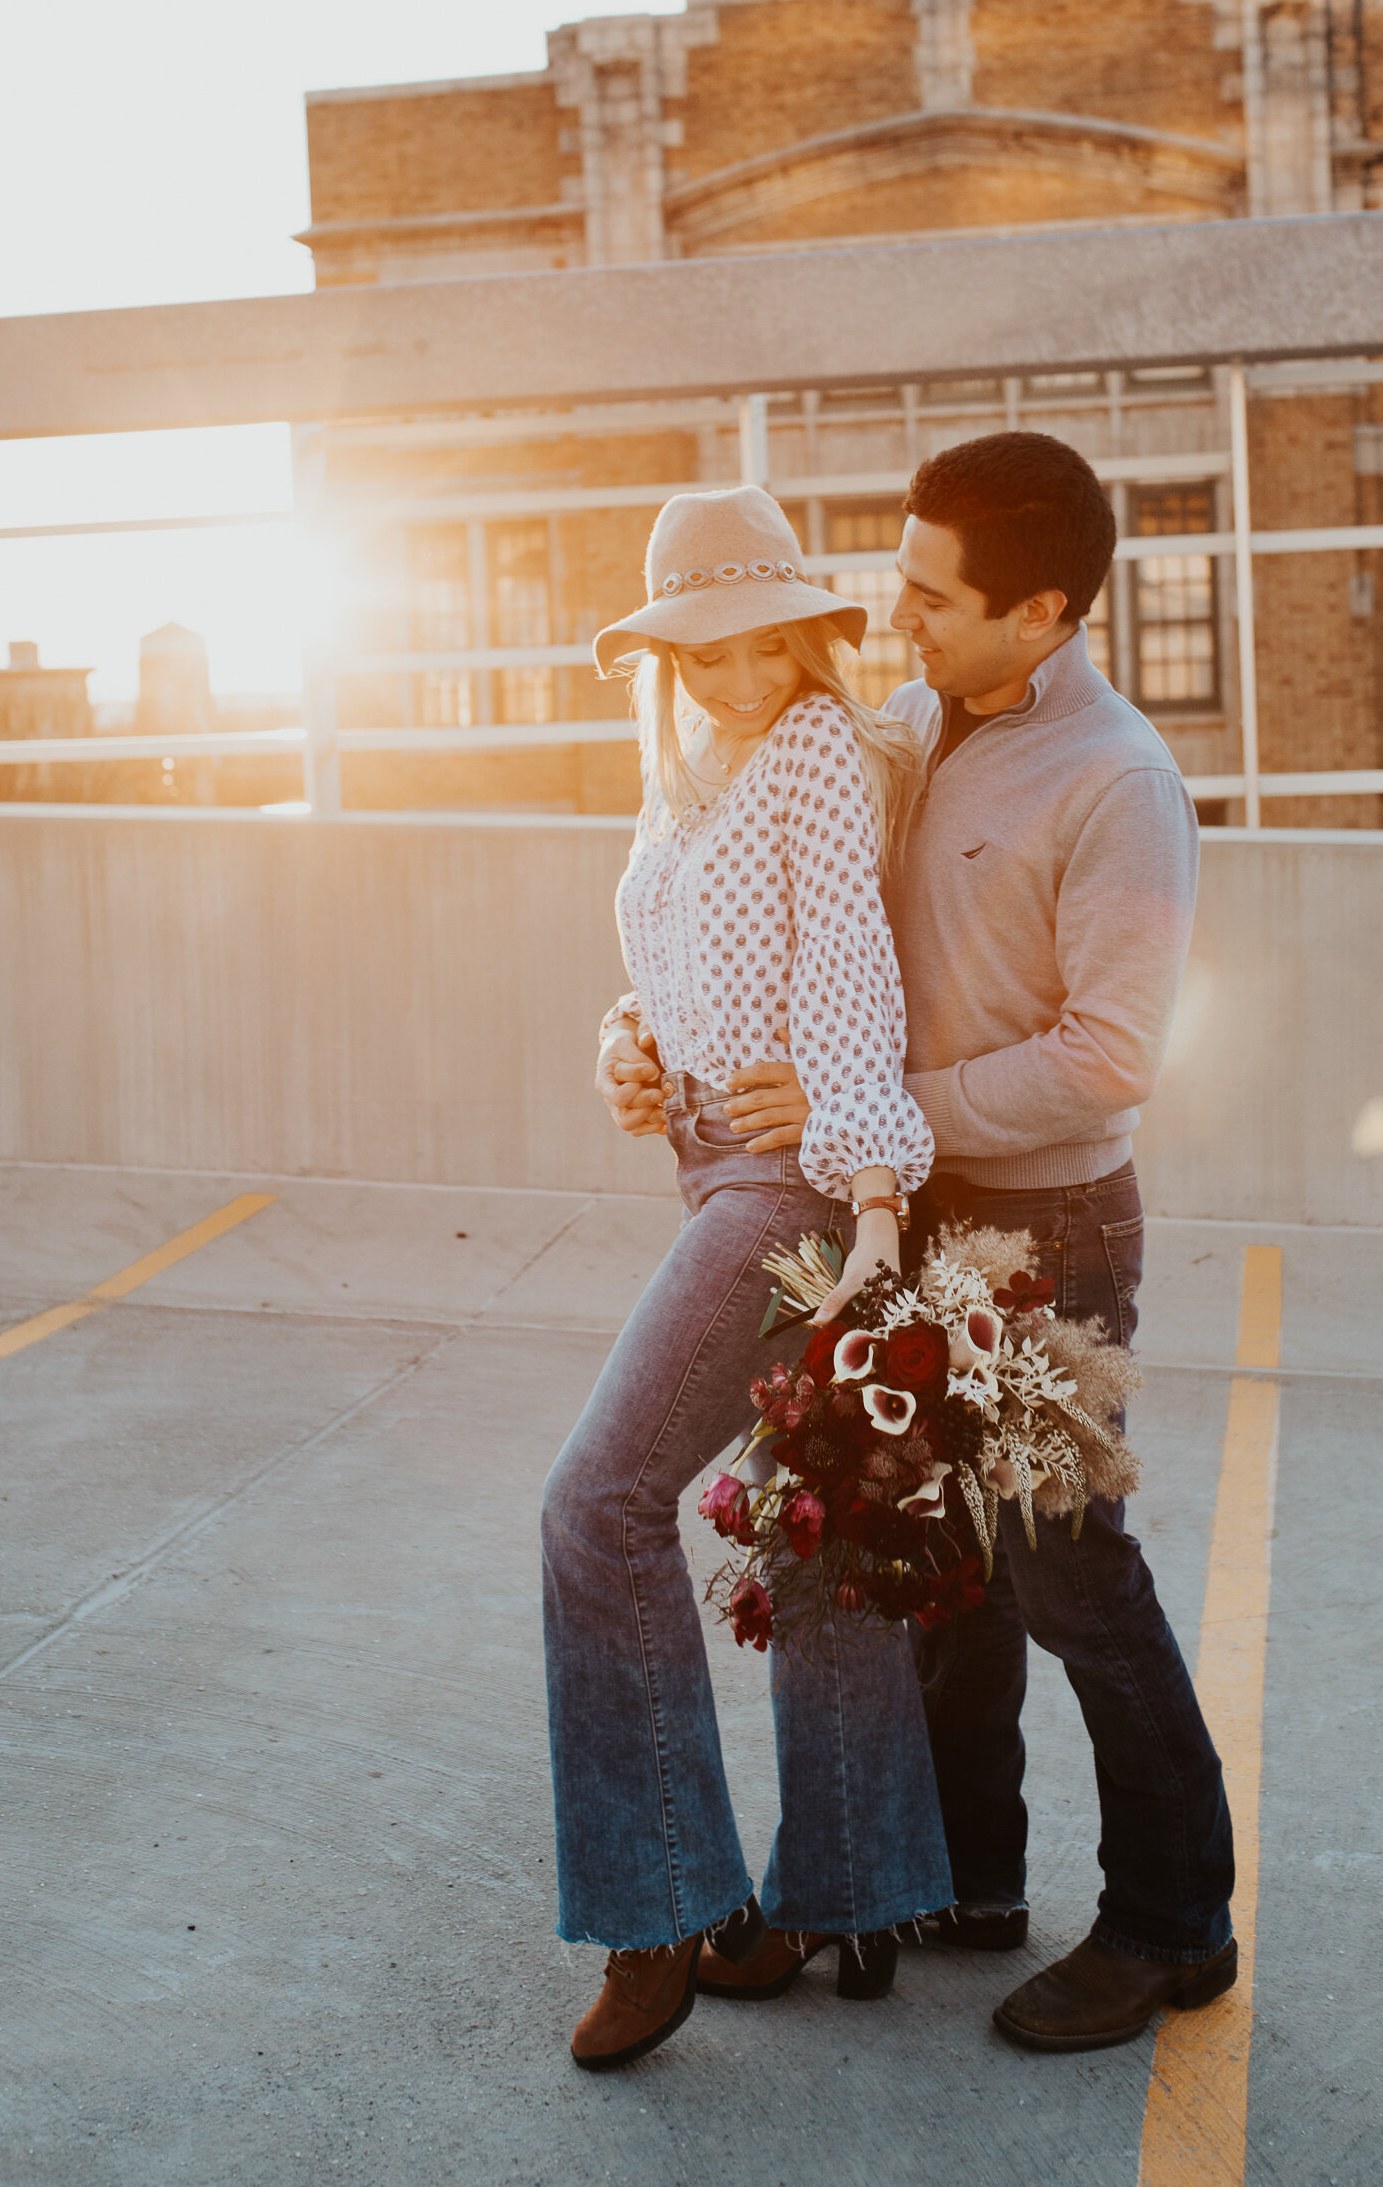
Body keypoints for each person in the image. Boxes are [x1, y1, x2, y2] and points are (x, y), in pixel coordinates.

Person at [599, 432, 1236, 2055]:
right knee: (931, 1574)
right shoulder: (892, 728)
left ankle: (1175, 1919)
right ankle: (968, 1874)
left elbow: (1109, 1056)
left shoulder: (1118, 782)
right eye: (895, 577)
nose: (897, 616)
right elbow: (756, 915)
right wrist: (642, 1024)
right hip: (905, 1209)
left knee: (1065, 1573)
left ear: (1041, 611)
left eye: (933, 597)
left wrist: (873, 1101)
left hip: (1045, 1233)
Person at [543, 483, 952, 2073]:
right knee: (815, 1521)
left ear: (806, 635)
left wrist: (869, 1195)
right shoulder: (681, 769)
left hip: (792, 1185)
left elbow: (845, 959)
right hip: (710, 1158)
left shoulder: (809, 758)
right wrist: (626, 1043)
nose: (734, 676)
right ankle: (846, 1892)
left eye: (764, 645)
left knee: (594, 1505)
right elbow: (685, 961)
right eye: (700, 654)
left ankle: (654, 1915)